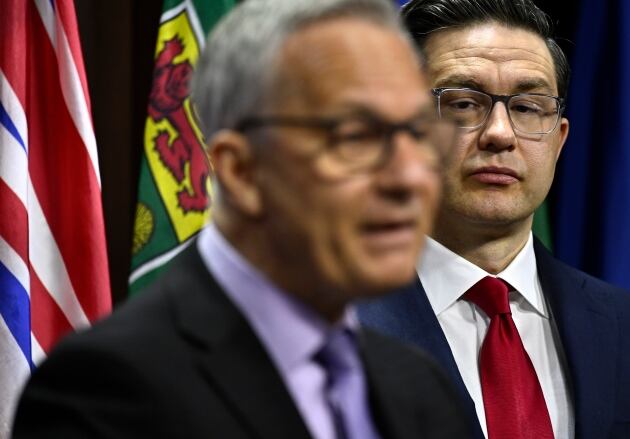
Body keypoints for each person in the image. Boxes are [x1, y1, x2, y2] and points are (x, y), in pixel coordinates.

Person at [12, 0, 469, 438]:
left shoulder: (421, 387)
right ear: (242, 172)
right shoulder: (106, 388)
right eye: (357, 138)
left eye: (419, 134)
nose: (409, 178)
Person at [357, 0, 630, 438]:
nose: (500, 133)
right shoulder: (317, 324)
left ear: (559, 141)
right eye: (464, 103)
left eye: (527, 107)